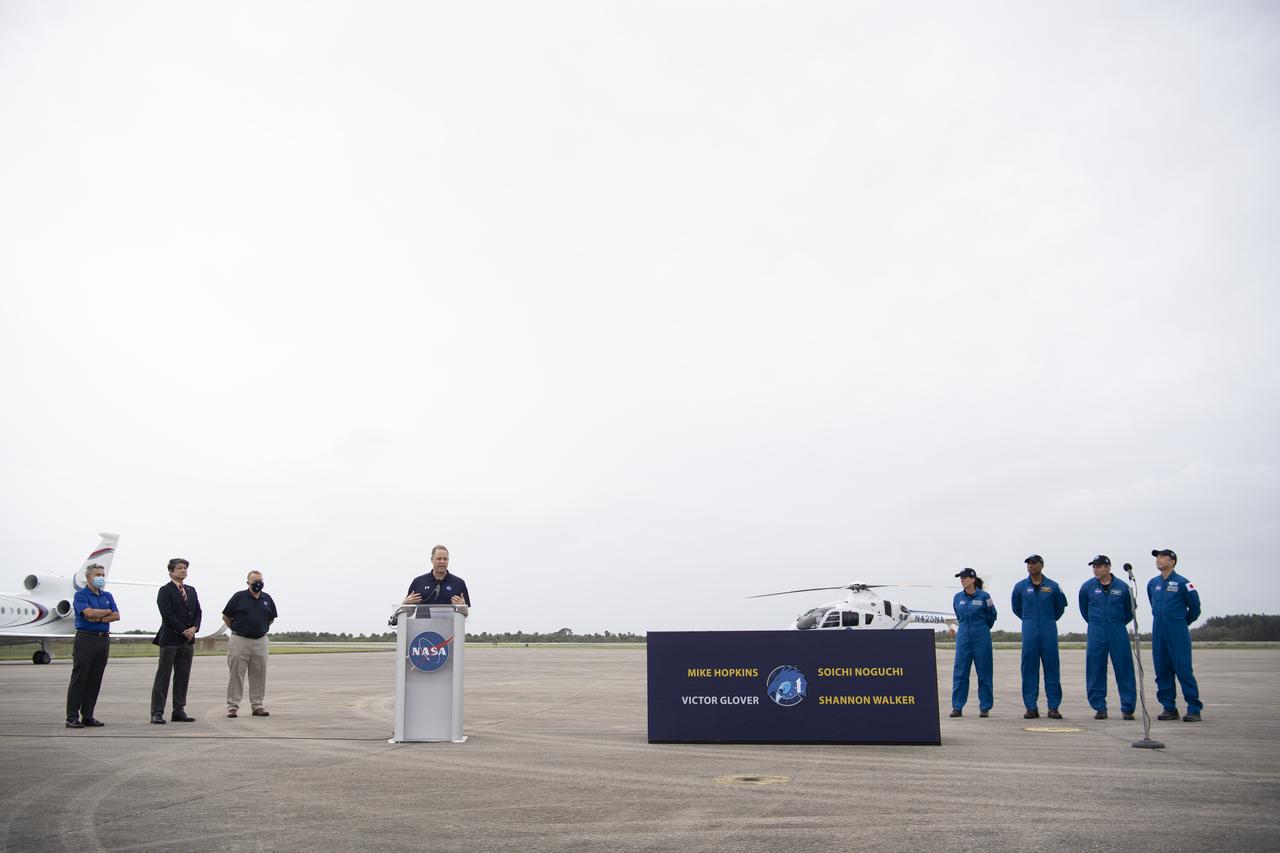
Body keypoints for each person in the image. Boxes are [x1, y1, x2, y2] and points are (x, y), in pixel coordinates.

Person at [1148, 548, 1203, 722]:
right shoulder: (1152, 583)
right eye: (1157, 557)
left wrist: (1182, 621)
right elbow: (1153, 603)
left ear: (1172, 561)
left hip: (1177, 628)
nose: (1158, 560)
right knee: (1162, 669)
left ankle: (1194, 708)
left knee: (1183, 669)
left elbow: (1195, 607)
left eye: (1162, 557)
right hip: (1159, 628)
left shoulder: (1183, 583)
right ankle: (1169, 708)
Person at [1078, 555, 1136, 720]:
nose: (1095, 569)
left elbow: (1129, 611)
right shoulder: (1087, 587)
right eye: (1094, 567)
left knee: (1124, 668)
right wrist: (1096, 623)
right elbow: (1084, 609)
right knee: (1095, 669)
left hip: (1117, 629)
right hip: (1096, 630)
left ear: (1108, 567)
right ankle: (1099, 707)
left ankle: (1127, 707)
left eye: (1099, 566)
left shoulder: (1123, 587)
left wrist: (1116, 623)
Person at [1011, 554, 1067, 719]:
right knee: (1029, 669)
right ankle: (1031, 707)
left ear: (1042, 565)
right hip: (1029, 629)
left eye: (1034, 563)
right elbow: (1016, 608)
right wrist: (1029, 619)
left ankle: (1053, 707)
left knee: (1052, 669)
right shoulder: (1020, 587)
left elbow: (1060, 608)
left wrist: (1047, 619)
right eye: (1028, 564)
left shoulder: (1053, 586)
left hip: (1048, 628)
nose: (1030, 566)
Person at [64, 564, 118, 728]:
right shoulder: (80, 595)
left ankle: (88, 715)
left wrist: (100, 617)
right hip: (86, 639)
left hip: (103, 639)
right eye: (97, 574)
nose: (101, 577)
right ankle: (72, 717)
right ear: (88, 577)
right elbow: (88, 614)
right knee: (80, 678)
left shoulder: (107, 595)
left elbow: (116, 615)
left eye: (103, 574)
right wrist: (105, 612)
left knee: (95, 678)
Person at [151, 558, 202, 724]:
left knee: (182, 676)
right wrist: (183, 630)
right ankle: (157, 712)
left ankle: (179, 710)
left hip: (188, 641)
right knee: (163, 677)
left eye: (185, 568)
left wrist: (194, 628)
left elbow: (198, 611)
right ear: (171, 572)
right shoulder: (165, 591)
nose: (183, 570)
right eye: (180, 568)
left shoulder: (191, 590)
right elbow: (167, 613)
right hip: (171, 639)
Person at [222, 570, 279, 719]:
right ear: (248, 583)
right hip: (240, 640)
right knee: (236, 674)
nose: (258, 583)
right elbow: (226, 617)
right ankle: (232, 707)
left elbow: (271, 618)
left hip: (260, 641)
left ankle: (257, 705)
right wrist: (237, 629)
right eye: (255, 581)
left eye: (260, 580)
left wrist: (260, 628)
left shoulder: (267, 598)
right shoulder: (239, 597)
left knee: (259, 674)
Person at [950, 568, 996, 718]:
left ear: (973, 579)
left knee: (984, 671)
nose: (962, 580)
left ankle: (985, 706)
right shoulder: (957, 597)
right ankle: (957, 706)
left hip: (981, 636)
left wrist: (981, 628)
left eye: (964, 577)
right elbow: (958, 615)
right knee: (960, 672)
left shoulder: (984, 597)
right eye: (960, 578)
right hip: (963, 636)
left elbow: (992, 616)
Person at [403, 546, 470, 616]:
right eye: (439, 559)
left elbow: (465, 614)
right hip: (423, 626)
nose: (442, 562)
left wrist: (463, 607)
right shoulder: (418, 582)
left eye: (445, 559)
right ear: (432, 560)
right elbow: (409, 613)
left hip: (449, 626)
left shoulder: (459, 583)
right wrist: (405, 604)